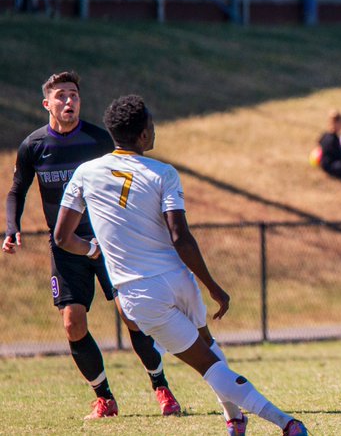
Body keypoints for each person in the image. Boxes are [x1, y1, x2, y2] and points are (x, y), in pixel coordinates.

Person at [53, 95, 308, 436]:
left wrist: (91, 249)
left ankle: (277, 423)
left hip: (140, 293)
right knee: (210, 353)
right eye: (152, 125)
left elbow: (62, 236)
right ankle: (251, 421)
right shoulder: (164, 173)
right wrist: (213, 287)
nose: (154, 129)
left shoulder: (85, 172)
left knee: (207, 365)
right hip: (178, 279)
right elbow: (180, 237)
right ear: (143, 136)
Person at [3, 71, 180, 420]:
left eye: (74, 96)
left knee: (132, 316)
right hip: (65, 248)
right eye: (61, 96)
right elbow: (16, 190)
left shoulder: (99, 141)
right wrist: (12, 228)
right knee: (73, 323)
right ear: (47, 104)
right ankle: (105, 398)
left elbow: (128, 179)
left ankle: (162, 388)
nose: (69, 102)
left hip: (107, 243)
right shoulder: (34, 146)